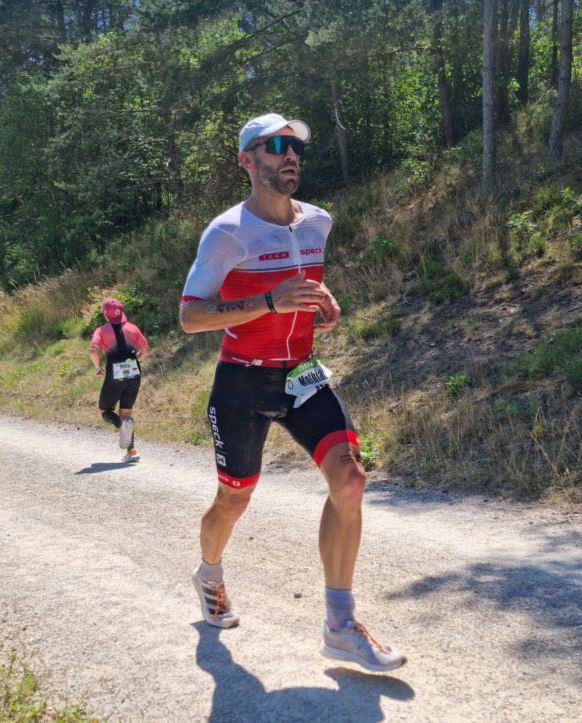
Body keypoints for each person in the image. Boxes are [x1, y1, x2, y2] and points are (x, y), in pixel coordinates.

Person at [180, 113, 406, 672]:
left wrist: (320, 305)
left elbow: (303, 286)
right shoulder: (227, 232)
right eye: (275, 146)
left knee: (350, 479)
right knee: (235, 498)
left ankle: (339, 625)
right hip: (241, 378)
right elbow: (190, 317)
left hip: (301, 374)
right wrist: (271, 303)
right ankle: (209, 572)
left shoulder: (318, 222)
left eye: (296, 147)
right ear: (246, 161)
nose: (290, 155)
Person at [89, 298, 151, 463]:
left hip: (115, 373)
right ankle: (131, 451)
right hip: (134, 371)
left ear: (105, 314)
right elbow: (145, 351)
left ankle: (120, 425)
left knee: (105, 411)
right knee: (126, 413)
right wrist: (135, 360)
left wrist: (97, 367)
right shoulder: (133, 328)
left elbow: (93, 350)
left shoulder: (101, 331)